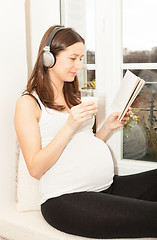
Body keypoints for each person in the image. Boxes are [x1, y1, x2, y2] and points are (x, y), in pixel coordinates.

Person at [14, 25, 157, 239]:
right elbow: (35, 168)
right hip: (65, 199)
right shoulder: (28, 103)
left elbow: (84, 145)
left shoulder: (73, 97)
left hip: (104, 187)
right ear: (48, 58)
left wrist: (107, 127)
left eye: (80, 58)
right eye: (73, 58)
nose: (79, 66)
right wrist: (69, 126)